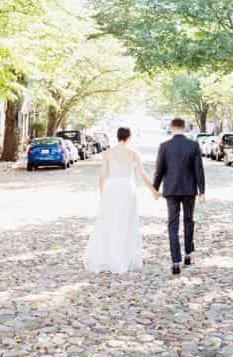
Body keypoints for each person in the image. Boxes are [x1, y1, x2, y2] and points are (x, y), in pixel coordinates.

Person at [84, 126, 159, 274]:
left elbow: (103, 176)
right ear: (129, 137)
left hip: (111, 189)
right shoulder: (133, 153)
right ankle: (124, 257)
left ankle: (109, 256)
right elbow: (142, 175)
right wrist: (154, 191)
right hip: (126, 189)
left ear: (117, 137)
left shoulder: (107, 153)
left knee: (109, 221)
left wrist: (102, 193)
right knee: (126, 222)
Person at [153, 117, 206, 275]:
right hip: (190, 190)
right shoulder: (193, 145)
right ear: (184, 128)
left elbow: (159, 170)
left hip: (171, 190)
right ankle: (188, 254)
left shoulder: (164, 146)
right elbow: (199, 170)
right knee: (189, 220)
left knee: (173, 224)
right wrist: (202, 191)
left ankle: (175, 262)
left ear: (171, 128)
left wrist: (155, 189)